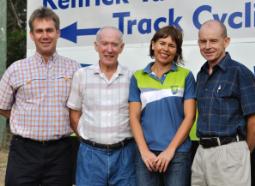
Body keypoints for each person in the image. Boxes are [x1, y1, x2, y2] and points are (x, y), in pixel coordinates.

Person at [0, 7, 80, 186]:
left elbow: (81, 107)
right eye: (39, 31)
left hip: (62, 152)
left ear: (58, 33)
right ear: (32, 35)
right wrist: (22, 118)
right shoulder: (16, 69)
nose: (45, 36)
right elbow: (2, 105)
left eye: (49, 30)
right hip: (24, 151)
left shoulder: (74, 68)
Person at [191, 20, 255, 186]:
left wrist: (242, 152)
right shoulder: (201, 75)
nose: (207, 46)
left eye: (213, 41)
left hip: (230, 152)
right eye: (203, 41)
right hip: (201, 152)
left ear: (226, 41)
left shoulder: (240, 73)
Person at [67, 26, 136, 186]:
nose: (109, 49)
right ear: (96, 46)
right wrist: (90, 141)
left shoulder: (131, 77)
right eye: (104, 44)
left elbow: (136, 116)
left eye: (114, 44)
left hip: (124, 155)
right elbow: (74, 115)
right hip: (90, 156)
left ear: (122, 47)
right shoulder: (81, 75)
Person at [129, 25, 196, 186]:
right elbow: (133, 117)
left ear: (177, 51)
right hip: (146, 154)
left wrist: (170, 150)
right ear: (153, 45)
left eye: (172, 45)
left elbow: (190, 116)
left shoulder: (186, 75)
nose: (166, 49)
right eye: (162, 43)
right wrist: (144, 152)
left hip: (178, 153)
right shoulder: (137, 77)